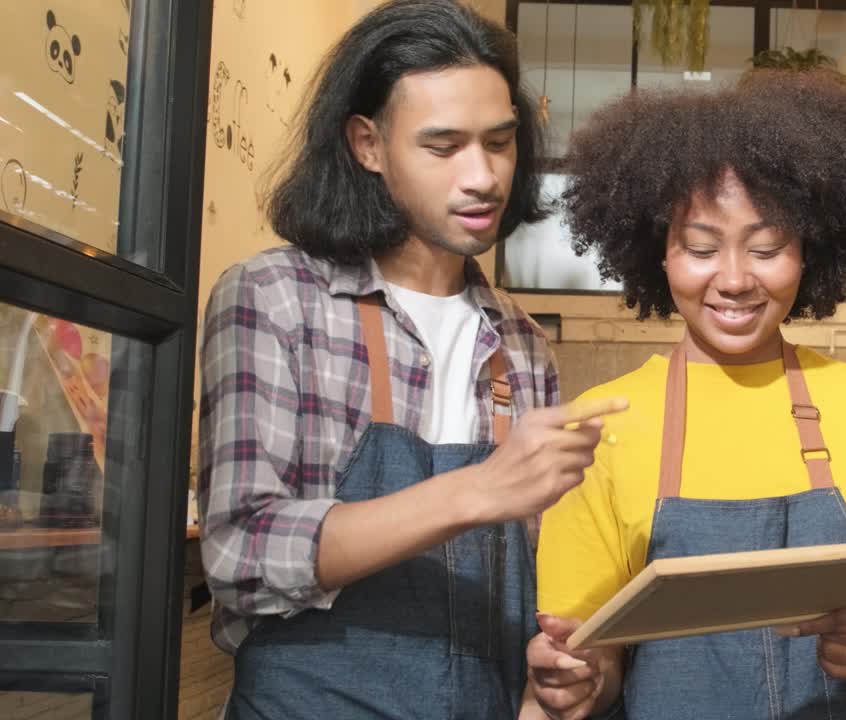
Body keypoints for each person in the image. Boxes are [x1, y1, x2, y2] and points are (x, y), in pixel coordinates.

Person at [197, 1, 622, 717]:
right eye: (443, 145)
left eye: (500, 141)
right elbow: (242, 553)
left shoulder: (521, 346)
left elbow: (535, 580)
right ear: (367, 143)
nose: (484, 176)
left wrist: (565, 671)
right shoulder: (276, 299)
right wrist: (476, 491)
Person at [526, 71, 846, 720]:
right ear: (659, 253)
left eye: (766, 247)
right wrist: (571, 680)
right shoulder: (603, 425)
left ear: (809, 250)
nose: (734, 280)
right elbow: (596, 661)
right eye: (702, 247)